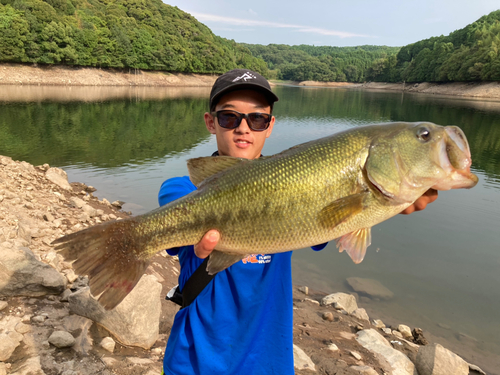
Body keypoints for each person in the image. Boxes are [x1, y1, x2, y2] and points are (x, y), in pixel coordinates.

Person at [159, 69, 438, 374]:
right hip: (194, 361)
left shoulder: (296, 185)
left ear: (270, 126)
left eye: (257, 119)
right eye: (229, 117)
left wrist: (389, 201)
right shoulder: (183, 191)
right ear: (211, 122)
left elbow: (335, 220)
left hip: (269, 363)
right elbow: (176, 216)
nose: (243, 129)